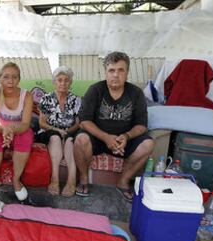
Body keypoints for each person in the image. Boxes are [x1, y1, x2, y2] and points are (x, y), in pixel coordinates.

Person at [73, 51, 154, 202]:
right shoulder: (95, 90)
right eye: (111, 70)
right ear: (105, 72)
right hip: (97, 139)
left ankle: (123, 182)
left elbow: (142, 125)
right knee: (81, 139)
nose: (116, 75)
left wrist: (126, 136)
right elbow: (84, 121)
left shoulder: (136, 93)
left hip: (124, 141)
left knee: (148, 144)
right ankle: (83, 179)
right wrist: (106, 137)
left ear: (127, 73)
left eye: (120, 70)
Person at [0, 62, 34, 201]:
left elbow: (25, 124)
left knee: (26, 136)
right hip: (0, 130)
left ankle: (16, 180)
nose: (10, 81)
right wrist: (5, 130)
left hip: (19, 130)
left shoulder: (27, 96)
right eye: (6, 77)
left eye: (14, 77)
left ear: (19, 79)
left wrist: (11, 129)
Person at [37, 66, 81, 197]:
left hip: (70, 130)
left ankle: (71, 180)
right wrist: (58, 130)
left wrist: (67, 132)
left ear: (71, 82)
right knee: (56, 137)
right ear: (54, 82)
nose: (63, 83)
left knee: (71, 140)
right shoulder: (46, 98)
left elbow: (79, 123)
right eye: (59, 80)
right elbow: (42, 123)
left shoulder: (76, 100)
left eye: (66, 80)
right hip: (50, 130)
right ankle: (55, 179)